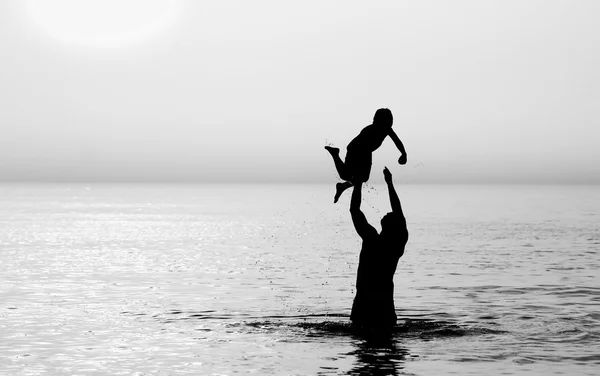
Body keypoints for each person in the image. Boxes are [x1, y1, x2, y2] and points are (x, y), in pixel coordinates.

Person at [349, 167, 408, 334]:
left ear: (389, 225)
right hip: (384, 305)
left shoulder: (371, 239)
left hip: (364, 304)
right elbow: (399, 213)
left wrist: (358, 185)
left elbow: (354, 210)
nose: (388, 213)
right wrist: (389, 183)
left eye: (390, 215)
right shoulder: (396, 246)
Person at [325, 108, 407, 203]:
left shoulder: (387, 129)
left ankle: (342, 186)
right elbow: (361, 143)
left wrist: (403, 153)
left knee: (360, 178)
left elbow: (397, 141)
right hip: (356, 150)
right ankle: (335, 155)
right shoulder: (371, 129)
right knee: (348, 175)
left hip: (365, 152)